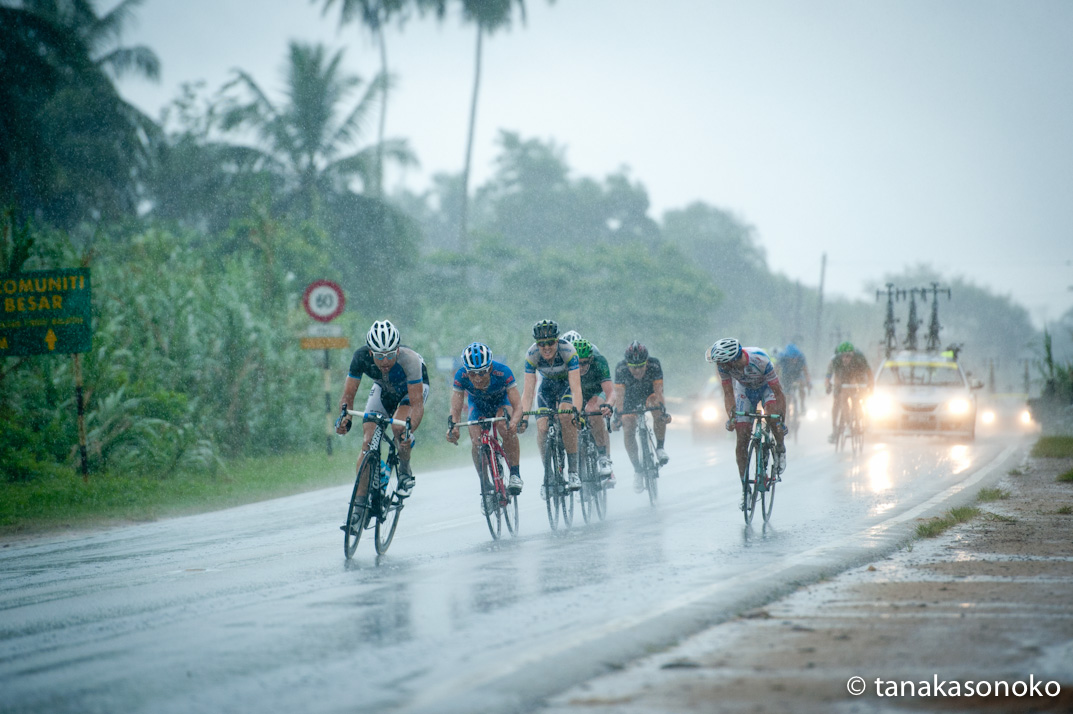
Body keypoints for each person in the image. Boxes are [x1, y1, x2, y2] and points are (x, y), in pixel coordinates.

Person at [335, 319, 428, 498]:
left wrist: (409, 431)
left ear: (398, 350)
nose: (385, 361)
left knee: (399, 428)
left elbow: (417, 405)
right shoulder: (360, 357)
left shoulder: (410, 360)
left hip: (411, 390)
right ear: (370, 352)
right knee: (367, 441)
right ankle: (360, 503)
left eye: (390, 355)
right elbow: (348, 396)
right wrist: (345, 419)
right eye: (379, 356)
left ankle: (404, 469)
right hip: (384, 388)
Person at [446, 342, 524, 515]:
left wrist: (515, 422)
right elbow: (456, 409)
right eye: (473, 374)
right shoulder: (461, 376)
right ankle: (486, 486)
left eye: (482, 372)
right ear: (467, 371)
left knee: (504, 427)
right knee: (476, 441)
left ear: (489, 368)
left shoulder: (503, 372)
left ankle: (515, 474)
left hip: (500, 402)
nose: (478, 378)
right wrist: (453, 428)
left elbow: (518, 406)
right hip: (478, 405)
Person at [705, 338, 788, 502]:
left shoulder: (760, 360)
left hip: (767, 388)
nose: (720, 366)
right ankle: (746, 489)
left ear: (733, 359)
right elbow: (728, 394)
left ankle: (780, 448)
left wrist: (781, 421)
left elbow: (779, 392)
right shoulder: (724, 366)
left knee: (773, 418)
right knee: (741, 440)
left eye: (723, 363)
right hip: (745, 390)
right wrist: (732, 416)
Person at [518, 319, 585, 494]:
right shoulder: (532, 354)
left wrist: (576, 413)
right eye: (542, 344)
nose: (546, 347)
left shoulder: (568, 351)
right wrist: (524, 417)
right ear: (537, 344)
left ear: (557, 340)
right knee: (541, 427)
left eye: (550, 342)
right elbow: (528, 391)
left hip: (566, 386)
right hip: (546, 388)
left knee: (565, 415)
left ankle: (573, 472)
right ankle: (548, 474)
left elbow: (576, 388)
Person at [612, 340, 671, 493]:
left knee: (656, 406)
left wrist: (662, 411)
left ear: (647, 362)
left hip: (648, 394)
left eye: (640, 366)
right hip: (630, 398)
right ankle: (638, 470)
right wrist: (618, 417)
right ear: (627, 364)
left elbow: (659, 392)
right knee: (628, 422)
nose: (637, 371)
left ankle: (659, 448)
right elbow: (619, 396)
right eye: (633, 367)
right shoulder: (621, 368)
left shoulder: (654, 365)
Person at [572, 338, 616, 484]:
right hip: (577, 394)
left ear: (591, 359)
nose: (581, 367)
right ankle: (581, 475)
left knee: (592, 409)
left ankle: (603, 457)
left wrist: (608, 405)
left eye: (584, 363)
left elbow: (610, 392)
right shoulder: (567, 364)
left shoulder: (599, 361)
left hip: (597, 392)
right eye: (577, 363)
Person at [824, 341, 874, 443]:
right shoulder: (835, 361)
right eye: (843, 356)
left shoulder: (859, 359)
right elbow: (828, 376)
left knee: (861, 397)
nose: (845, 359)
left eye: (848, 356)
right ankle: (838, 428)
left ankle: (864, 418)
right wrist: (828, 385)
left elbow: (869, 373)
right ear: (839, 356)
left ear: (853, 355)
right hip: (842, 378)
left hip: (856, 376)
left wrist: (870, 385)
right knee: (839, 400)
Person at [776, 341, 812, 413]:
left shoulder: (801, 358)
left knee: (802, 385)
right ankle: (786, 408)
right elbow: (776, 370)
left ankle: (802, 404)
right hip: (786, 376)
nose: (794, 360)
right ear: (787, 357)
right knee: (787, 394)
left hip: (797, 375)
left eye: (796, 358)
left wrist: (808, 382)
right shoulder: (782, 358)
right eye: (792, 359)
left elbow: (806, 371)